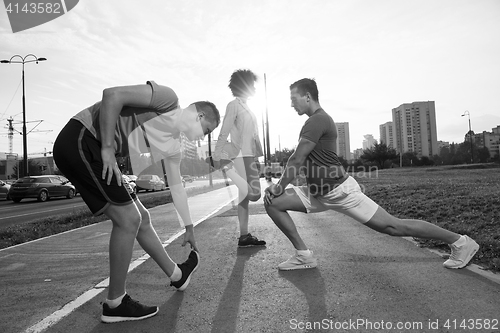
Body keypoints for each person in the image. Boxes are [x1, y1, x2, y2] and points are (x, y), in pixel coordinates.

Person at [264, 78, 479, 271]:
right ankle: (303, 256)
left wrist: (279, 186)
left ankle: (460, 242)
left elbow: (297, 158)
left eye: (294, 98)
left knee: (394, 227)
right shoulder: (315, 121)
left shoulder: (317, 120)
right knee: (273, 203)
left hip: (340, 192)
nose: (292, 104)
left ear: (307, 96)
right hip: (318, 193)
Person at [53, 81, 220, 323]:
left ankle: (177, 275)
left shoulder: (174, 146)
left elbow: (176, 186)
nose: (202, 138)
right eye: (206, 131)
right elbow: (112, 95)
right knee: (128, 219)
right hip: (82, 137)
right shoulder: (168, 100)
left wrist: (189, 227)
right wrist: (108, 148)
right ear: (199, 116)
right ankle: (115, 303)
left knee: (142, 218)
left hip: (97, 147)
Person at [210, 69, 266, 247]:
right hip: (240, 155)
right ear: (244, 86)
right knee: (255, 194)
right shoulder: (233, 105)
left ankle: (244, 236)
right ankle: (227, 168)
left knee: (243, 197)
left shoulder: (247, 106)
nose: (255, 88)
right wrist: (217, 156)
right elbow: (224, 131)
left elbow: (252, 135)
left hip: (249, 155)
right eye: (252, 85)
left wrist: (257, 157)